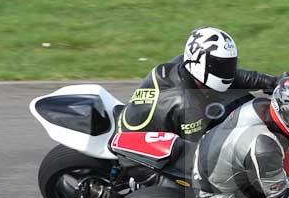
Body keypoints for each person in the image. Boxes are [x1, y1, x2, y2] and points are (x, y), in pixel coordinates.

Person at [118, 27, 279, 142]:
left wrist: (271, 82)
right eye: (221, 66)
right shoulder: (187, 104)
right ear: (199, 64)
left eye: (229, 65)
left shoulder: (184, 64)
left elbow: (233, 77)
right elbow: (198, 155)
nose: (228, 71)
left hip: (157, 128)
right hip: (141, 158)